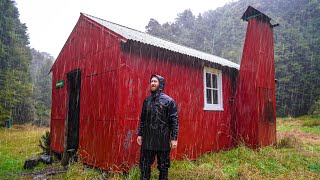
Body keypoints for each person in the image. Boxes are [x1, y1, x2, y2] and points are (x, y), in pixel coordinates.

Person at [137, 74, 179, 180]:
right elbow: (143, 119)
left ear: (160, 84)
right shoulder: (146, 101)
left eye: (155, 81)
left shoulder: (169, 101)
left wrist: (174, 138)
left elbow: (174, 120)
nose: (152, 83)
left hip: (162, 140)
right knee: (144, 166)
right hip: (148, 139)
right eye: (151, 81)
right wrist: (140, 134)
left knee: (163, 167)